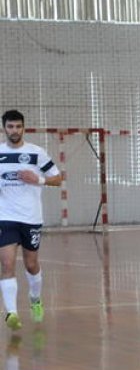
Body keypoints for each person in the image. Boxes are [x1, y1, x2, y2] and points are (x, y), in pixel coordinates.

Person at [0, 110, 64, 332]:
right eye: (10, 126)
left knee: (31, 264)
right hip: (5, 217)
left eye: (18, 126)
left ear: (23, 128)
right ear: (4, 128)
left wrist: (38, 179)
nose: (14, 130)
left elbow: (58, 179)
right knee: (7, 263)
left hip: (31, 217)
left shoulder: (36, 153)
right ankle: (11, 313)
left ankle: (35, 299)